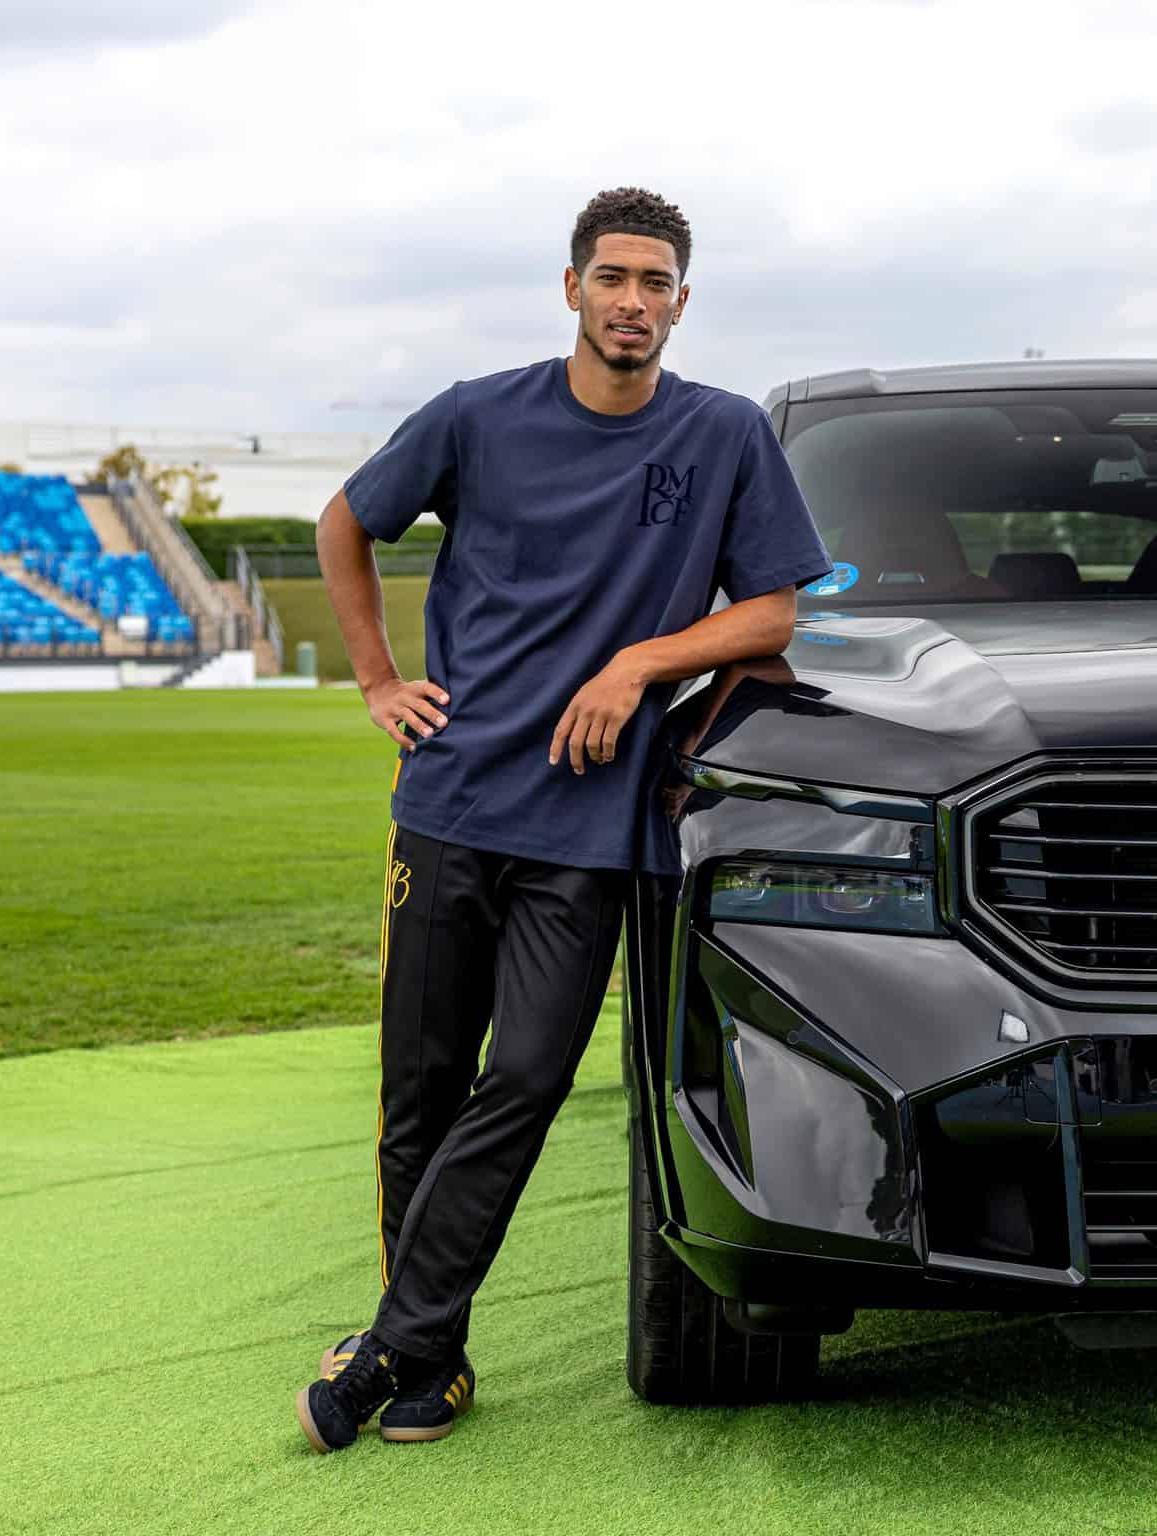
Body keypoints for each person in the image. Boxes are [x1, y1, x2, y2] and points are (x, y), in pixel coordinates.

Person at [299, 187, 830, 1452]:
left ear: (682, 304)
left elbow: (772, 612)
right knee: (421, 1090)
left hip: (591, 831)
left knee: (528, 1078)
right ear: (573, 288)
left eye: (655, 284)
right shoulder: (478, 415)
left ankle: (389, 1344)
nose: (632, 302)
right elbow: (345, 523)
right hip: (450, 805)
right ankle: (430, 1359)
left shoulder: (723, 433)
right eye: (613, 278)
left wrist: (637, 663)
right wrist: (376, 681)